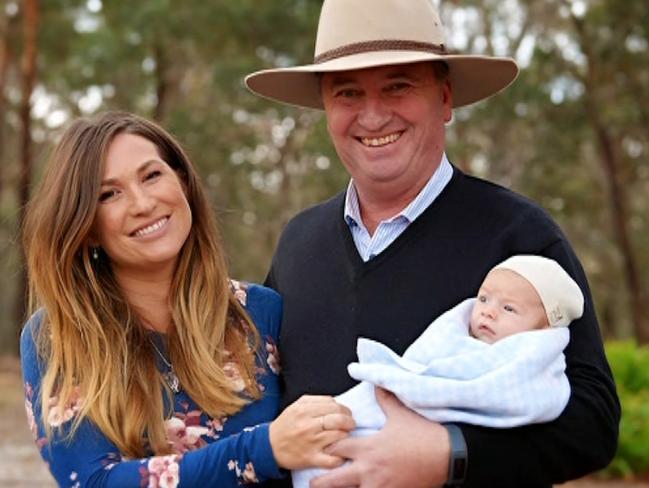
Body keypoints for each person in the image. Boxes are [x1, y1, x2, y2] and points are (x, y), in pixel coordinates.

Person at [244, 0, 620, 486]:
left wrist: (450, 454)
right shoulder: (299, 242)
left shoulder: (520, 236)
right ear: (325, 108)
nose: (373, 115)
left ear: (445, 99)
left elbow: (594, 421)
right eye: (347, 92)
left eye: (398, 85)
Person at [19, 111, 355, 487]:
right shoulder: (57, 335)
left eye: (152, 175)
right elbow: (92, 480)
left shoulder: (261, 313)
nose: (143, 203)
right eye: (109, 194)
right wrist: (263, 448)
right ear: (87, 229)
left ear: (183, 183)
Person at [292, 255, 583, 487]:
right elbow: (423, 365)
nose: (488, 311)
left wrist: (448, 451)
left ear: (543, 328)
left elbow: (491, 396)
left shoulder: (525, 363)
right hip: (357, 422)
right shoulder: (454, 336)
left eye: (508, 308)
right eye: (483, 299)